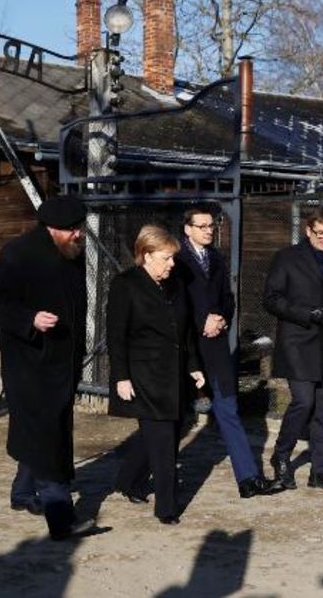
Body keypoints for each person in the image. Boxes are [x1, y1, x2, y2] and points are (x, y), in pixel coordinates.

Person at [0, 195, 98, 541]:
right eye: (72, 230)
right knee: (50, 437)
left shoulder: (71, 253)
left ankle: (22, 493)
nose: (78, 235)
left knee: (41, 429)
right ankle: (61, 518)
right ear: (51, 228)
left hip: (63, 363)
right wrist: (29, 318)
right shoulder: (18, 254)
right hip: (29, 364)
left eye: (79, 228)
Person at [173, 207, 280, 499]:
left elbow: (228, 299)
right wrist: (201, 322)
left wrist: (220, 317)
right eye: (203, 226)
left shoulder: (217, 259)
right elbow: (174, 304)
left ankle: (248, 479)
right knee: (171, 417)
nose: (209, 230)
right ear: (188, 229)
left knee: (228, 410)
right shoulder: (175, 260)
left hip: (217, 347)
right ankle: (136, 476)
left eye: (212, 226)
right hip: (187, 348)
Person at [107, 224, 205, 525]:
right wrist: (121, 376)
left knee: (165, 433)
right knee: (163, 440)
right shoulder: (125, 285)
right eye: (166, 258)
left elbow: (184, 330)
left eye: (173, 258)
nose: (172, 264)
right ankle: (167, 507)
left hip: (173, 373)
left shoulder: (173, 285)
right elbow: (116, 335)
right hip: (143, 375)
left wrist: (193, 365)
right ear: (146, 255)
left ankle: (126, 480)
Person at [263, 206, 323, 492]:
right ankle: (281, 456)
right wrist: (309, 313)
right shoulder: (287, 258)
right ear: (308, 230)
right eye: (321, 233)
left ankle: (321, 472)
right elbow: (272, 299)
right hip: (298, 343)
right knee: (304, 401)